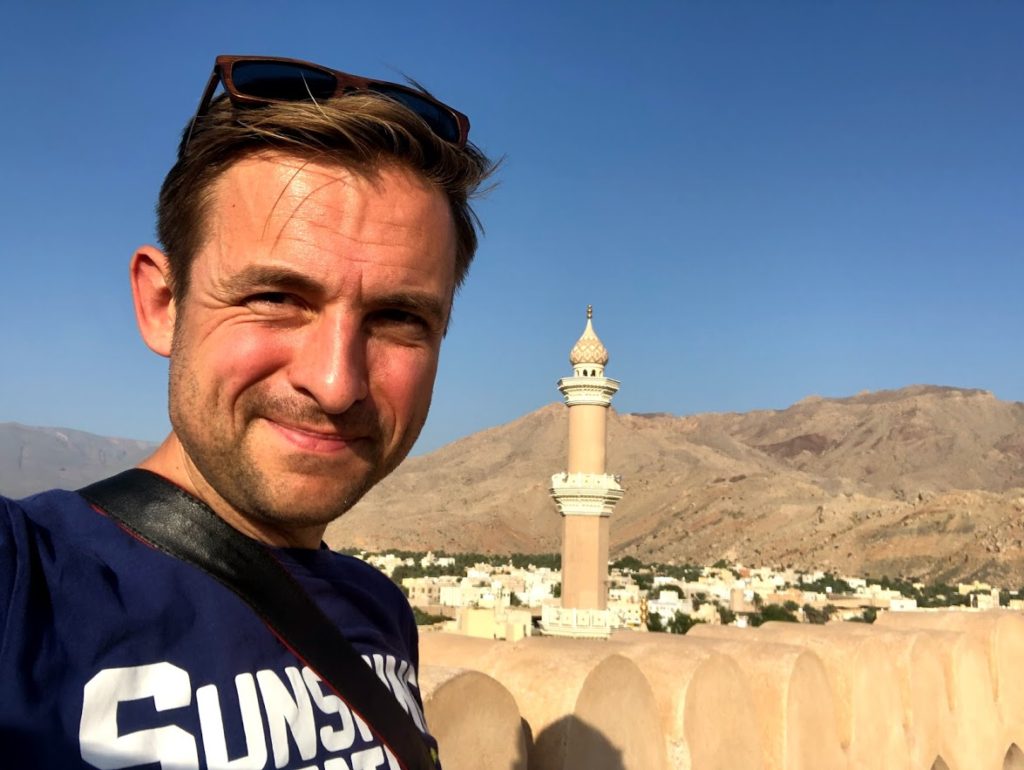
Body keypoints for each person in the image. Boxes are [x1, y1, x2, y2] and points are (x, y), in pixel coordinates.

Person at [0, 55, 493, 769]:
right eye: (276, 298)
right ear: (163, 304)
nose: (336, 384)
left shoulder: (379, 611)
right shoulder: (29, 586)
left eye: (397, 318)